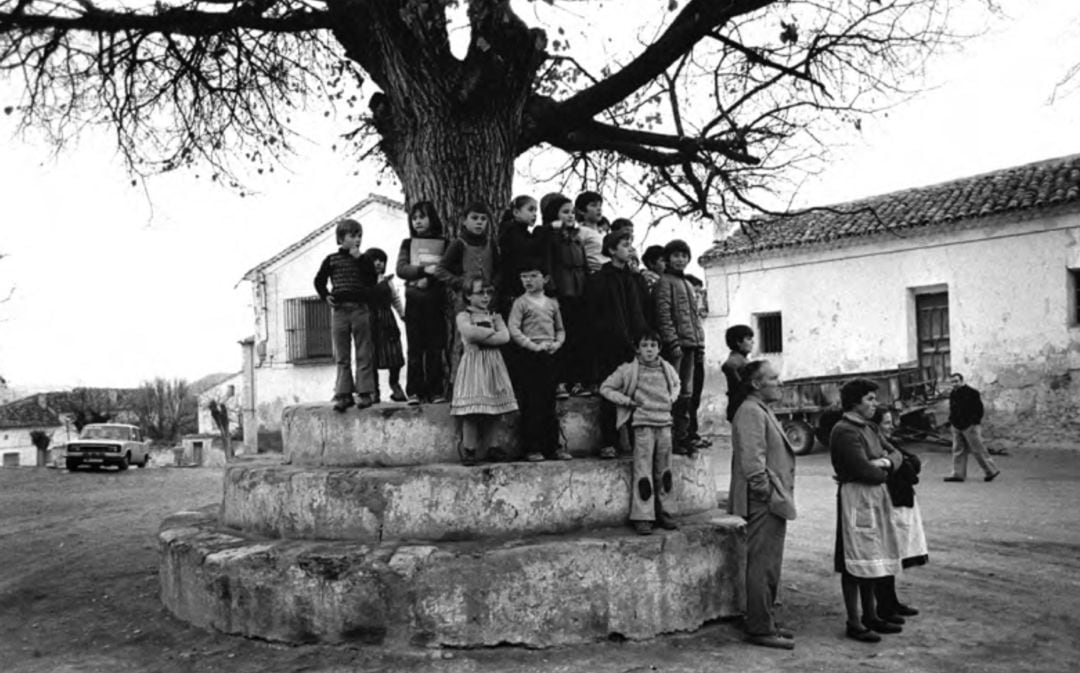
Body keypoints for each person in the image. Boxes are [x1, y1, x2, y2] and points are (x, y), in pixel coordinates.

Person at [728, 360, 797, 649]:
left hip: (770, 498)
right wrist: (767, 494)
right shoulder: (750, 412)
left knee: (769, 564)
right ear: (756, 384)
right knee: (762, 564)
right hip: (763, 501)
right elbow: (753, 463)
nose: (779, 382)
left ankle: (765, 619)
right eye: (773, 378)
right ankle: (759, 627)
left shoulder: (760, 409)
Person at [830, 378, 905, 644]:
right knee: (853, 561)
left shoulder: (870, 428)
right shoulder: (845, 431)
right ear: (854, 402)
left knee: (871, 555)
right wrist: (881, 467)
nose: (875, 403)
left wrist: (882, 461)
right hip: (855, 501)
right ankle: (854, 621)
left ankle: (871, 615)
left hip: (874, 499)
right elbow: (865, 471)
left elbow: (897, 454)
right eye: (870, 399)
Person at [599, 331, 681, 535]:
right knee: (643, 471)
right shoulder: (628, 370)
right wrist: (627, 401)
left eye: (653, 345)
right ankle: (643, 516)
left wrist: (671, 398)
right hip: (643, 426)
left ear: (659, 348)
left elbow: (677, 384)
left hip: (665, 425)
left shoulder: (667, 368)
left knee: (665, 471)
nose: (650, 349)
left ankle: (666, 512)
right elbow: (606, 388)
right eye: (645, 345)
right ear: (638, 348)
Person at [586, 230, 653, 458]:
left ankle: (638, 440)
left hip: (635, 346)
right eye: (624, 245)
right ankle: (610, 442)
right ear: (612, 250)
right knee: (610, 394)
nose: (630, 249)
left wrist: (643, 340)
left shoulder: (635, 279)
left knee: (637, 393)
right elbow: (594, 316)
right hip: (609, 346)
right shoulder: (599, 279)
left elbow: (644, 311)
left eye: (631, 244)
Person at [451, 276, 518, 466]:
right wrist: (491, 333)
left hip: (493, 366)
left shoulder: (495, 316)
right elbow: (469, 333)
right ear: (468, 296)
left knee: (495, 409)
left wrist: (484, 336)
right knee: (472, 410)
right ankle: (469, 448)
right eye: (480, 293)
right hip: (474, 366)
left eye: (489, 292)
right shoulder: (464, 316)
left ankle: (492, 446)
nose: (486, 297)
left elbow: (505, 337)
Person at [313, 218, 378, 411]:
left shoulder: (364, 259)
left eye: (359, 236)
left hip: (360, 309)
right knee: (342, 354)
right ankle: (343, 393)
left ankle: (365, 392)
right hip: (340, 311)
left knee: (363, 352)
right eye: (352, 236)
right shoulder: (332, 259)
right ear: (341, 238)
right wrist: (325, 296)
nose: (357, 239)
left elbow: (371, 280)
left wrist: (361, 260)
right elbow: (319, 280)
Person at [508, 260, 569, 462]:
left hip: (549, 356)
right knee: (531, 402)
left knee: (549, 403)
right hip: (530, 356)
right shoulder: (520, 303)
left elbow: (560, 329)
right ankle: (532, 447)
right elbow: (514, 329)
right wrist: (533, 346)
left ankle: (553, 447)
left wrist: (557, 344)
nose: (528, 280)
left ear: (545, 279)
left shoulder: (552, 303)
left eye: (533, 276)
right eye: (524, 276)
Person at [872, 408, 927, 624]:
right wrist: (901, 463)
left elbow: (914, 464)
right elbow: (909, 469)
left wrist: (900, 462)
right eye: (886, 423)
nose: (891, 426)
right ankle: (884, 606)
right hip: (889, 502)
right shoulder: (876, 447)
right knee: (886, 555)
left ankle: (891, 601)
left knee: (894, 554)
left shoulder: (890, 445)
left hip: (900, 500)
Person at [653, 239, 704, 455]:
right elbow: (663, 315)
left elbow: (695, 317)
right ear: (667, 258)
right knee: (672, 393)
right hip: (675, 347)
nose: (680, 259)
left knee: (687, 394)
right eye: (676, 255)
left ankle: (683, 437)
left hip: (691, 345)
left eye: (684, 255)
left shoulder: (689, 285)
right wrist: (672, 342)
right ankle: (670, 439)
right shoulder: (664, 282)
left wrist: (700, 343)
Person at [395, 201, 447, 405]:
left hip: (436, 301)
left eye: (422, 217)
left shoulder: (443, 243)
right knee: (415, 348)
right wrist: (422, 272)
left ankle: (435, 391)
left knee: (435, 348)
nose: (418, 221)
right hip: (414, 301)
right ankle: (414, 391)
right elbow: (401, 269)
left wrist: (431, 278)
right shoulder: (408, 244)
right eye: (414, 218)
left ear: (432, 218)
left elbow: (447, 268)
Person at [543, 193, 590, 399]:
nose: (570, 216)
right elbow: (548, 264)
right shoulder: (551, 237)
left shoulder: (577, 238)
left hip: (579, 292)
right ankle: (559, 382)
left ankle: (577, 380)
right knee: (560, 339)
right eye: (565, 212)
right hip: (561, 293)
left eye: (572, 212)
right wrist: (552, 290)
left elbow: (585, 265)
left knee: (578, 338)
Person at [435, 201, 500, 312]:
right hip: (466, 300)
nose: (479, 222)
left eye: (483, 219)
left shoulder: (490, 243)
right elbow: (440, 270)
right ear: (464, 221)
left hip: (488, 299)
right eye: (474, 218)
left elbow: (499, 268)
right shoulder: (459, 244)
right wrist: (461, 282)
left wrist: (494, 284)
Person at [364, 248, 407, 403]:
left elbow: (395, 299)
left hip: (387, 321)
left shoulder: (388, 281)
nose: (378, 263)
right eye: (374, 260)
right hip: (370, 321)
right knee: (372, 357)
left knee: (394, 354)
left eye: (381, 260)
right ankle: (374, 391)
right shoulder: (363, 281)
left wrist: (402, 315)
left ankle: (395, 385)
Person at [497, 194, 549, 315]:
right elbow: (526, 249)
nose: (535, 214)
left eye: (536, 211)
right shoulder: (510, 231)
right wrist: (542, 231)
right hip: (512, 291)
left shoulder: (523, 232)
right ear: (516, 212)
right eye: (530, 209)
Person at [944, 373, 1001, 482]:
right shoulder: (953, 393)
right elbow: (953, 408)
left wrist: (973, 422)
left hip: (970, 426)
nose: (954, 384)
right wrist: (952, 421)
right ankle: (958, 474)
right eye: (952, 382)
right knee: (958, 450)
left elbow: (979, 409)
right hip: (957, 425)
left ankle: (991, 471)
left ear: (961, 380)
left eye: (956, 381)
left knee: (978, 449)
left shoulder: (972, 393)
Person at [685, 273, 709, 450]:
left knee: (695, 397)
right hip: (689, 355)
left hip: (698, 356)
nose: (698, 297)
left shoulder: (696, 316)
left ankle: (693, 433)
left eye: (700, 293)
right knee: (688, 397)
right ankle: (688, 434)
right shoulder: (685, 315)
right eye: (695, 292)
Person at [721, 325, 755, 422]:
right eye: (748, 339)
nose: (752, 342)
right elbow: (728, 366)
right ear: (738, 342)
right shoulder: (736, 359)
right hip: (739, 406)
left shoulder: (742, 358)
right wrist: (742, 386)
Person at [575, 191, 606, 274]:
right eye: (594, 205)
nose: (599, 208)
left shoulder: (603, 233)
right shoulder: (580, 231)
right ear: (581, 211)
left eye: (600, 205)